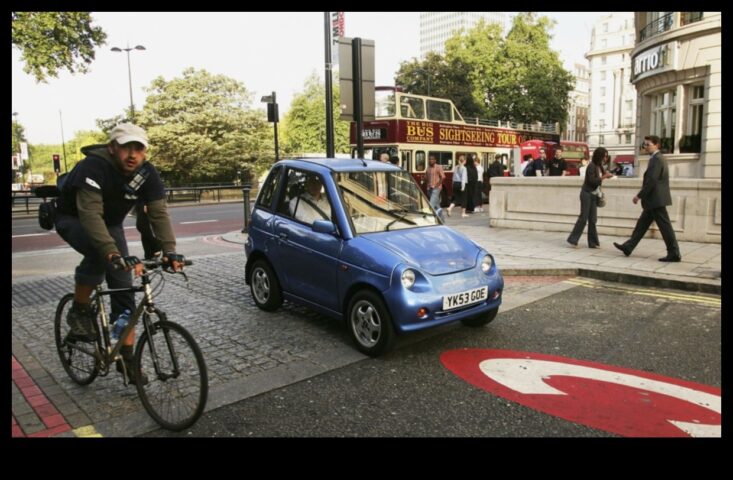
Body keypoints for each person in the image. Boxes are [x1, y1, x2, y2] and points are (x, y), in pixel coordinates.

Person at [54, 123, 185, 386]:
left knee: (124, 290)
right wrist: (112, 253)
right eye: (127, 148)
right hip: (73, 217)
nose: (133, 155)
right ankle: (79, 311)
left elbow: (158, 212)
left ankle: (127, 361)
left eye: (139, 148)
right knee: (99, 254)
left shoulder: (147, 173)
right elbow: (90, 215)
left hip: (110, 224)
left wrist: (170, 250)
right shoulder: (94, 166)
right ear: (113, 148)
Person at [613, 135, 681, 262]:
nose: (645, 147)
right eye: (644, 145)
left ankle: (674, 253)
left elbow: (652, 181)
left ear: (656, 145)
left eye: (648, 144)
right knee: (641, 225)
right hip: (654, 200)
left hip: (656, 200)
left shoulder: (657, 159)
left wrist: (639, 195)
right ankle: (628, 247)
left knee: (665, 228)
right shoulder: (656, 158)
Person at [567, 147, 614, 248]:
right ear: (599, 156)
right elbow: (592, 181)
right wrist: (604, 177)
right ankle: (573, 239)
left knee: (593, 219)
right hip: (586, 194)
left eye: (607, 156)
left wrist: (607, 175)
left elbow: (600, 178)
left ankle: (593, 243)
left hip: (594, 195)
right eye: (604, 156)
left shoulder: (599, 166)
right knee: (583, 218)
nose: (606, 158)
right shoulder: (591, 166)